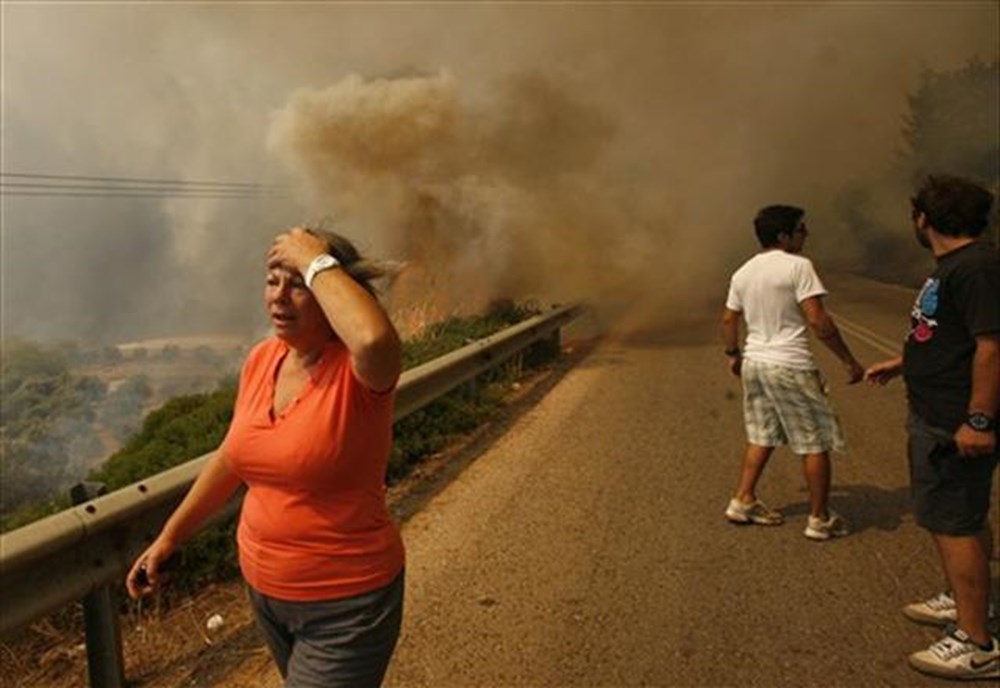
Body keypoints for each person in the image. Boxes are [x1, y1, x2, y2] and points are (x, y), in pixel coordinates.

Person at [127, 226, 405, 688]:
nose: (279, 297)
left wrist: (312, 258)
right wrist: (170, 537)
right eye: (273, 280)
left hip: (347, 602)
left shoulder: (361, 375)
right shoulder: (262, 360)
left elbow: (374, 339)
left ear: (331, 288)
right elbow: (233, 457)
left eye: (298, 284)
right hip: (266, 593)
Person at [865, 175, 999, 680]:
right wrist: (903, 362)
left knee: (953, 520)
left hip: (954, 419)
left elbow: (992, 348)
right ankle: (966, 603)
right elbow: (951, 336)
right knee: (958, 516)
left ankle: (977, 644)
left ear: (925, 219)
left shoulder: (978, 268)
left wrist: (978, 420)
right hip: (939, 412)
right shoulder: (959, 267)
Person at [721, 204, 865, 540]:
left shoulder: (743, 272)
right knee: (814, 442)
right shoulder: (799, 267)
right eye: (801, 229)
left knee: (761, 433)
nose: (806, 234)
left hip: (755, 363)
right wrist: (848, 360)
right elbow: (818, 320)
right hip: (790, 364)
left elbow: (729, 319)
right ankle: (820, 519)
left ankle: (743, 500)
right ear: (784, 236)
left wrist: (733, 355)